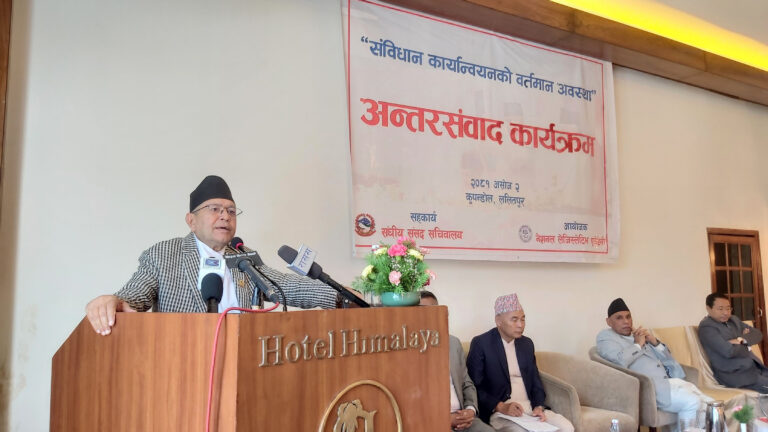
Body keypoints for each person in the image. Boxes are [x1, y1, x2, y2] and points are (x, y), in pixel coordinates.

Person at [85, 175, 339, 335]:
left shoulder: (244, 258)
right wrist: (114, 300)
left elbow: (284, 286)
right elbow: (135, 295)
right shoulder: (163, 254)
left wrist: (342, 296)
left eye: (231, 211)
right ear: (191, 220)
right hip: (183, 367)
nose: (225, 216)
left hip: (242, 363)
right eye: (215, 209)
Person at [597, 298, 711, 429]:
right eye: (619, 318)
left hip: (668, 382)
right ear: (608, 321)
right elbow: (619, 361)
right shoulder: (606, 337)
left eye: (628, 316)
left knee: (710, 405)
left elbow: (668, 357)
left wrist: (654, 342)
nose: (626, 321)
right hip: (648, 389)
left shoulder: (636, 335)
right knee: (692, 402)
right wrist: (638, 344)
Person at [466, 294, 574, 432]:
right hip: (502, 412)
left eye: (523, 319)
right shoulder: (481, 344)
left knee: (567, 428)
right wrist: (500, 406)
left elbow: (535, 381)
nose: (520, 325)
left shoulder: (526, 344)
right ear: (498, 321)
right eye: (514, 319)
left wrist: (538, 406)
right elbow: (474, 387)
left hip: (530, 410)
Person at [420, 291, 494, 432]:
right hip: (432, 421)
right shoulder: (408, 350)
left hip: (462, 417)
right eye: (424, 311)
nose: (431, 316)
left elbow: (466, 383)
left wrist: (470, 410)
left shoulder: (453, 343)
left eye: (435, 311)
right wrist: (444, 419)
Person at [698, 293, 768, 392]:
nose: (726, 312)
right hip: (736, 375)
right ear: (708, 309)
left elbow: (757, 334)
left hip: (755, 368)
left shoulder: (733, 320)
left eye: (728, 308)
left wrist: (740, 339)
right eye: (720, 309)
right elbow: (729, 351)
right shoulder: (707, 327)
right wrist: (747, 344)